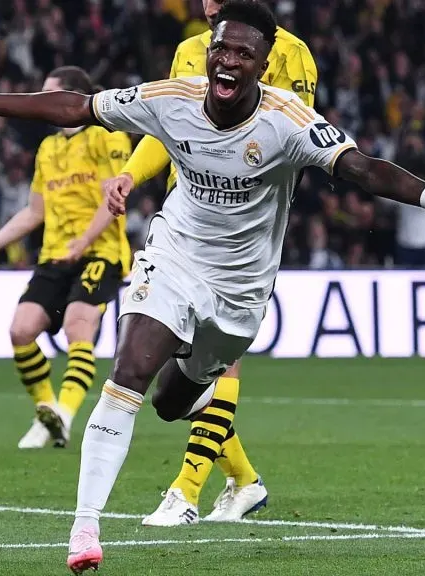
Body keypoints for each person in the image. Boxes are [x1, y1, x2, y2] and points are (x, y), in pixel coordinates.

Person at [0, 2, 425, 572]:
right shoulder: (170, 99)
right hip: (175, 256)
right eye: (220, 49)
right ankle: (85, 529)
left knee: (171, 402)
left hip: (242, 289)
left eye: (243, 53)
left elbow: (360, 168)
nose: (227, 60)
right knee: (129, 369)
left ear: (263, 62)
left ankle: (232, 465)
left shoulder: (289, 120)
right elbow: (77, 106)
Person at [109, 0, 319, 528]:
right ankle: (244, 481)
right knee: (175, 373)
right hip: (186, 225)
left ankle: (185, 490)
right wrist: (132, 177)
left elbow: (298, 140)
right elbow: (164, 127)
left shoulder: (294, 55)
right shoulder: (189, 50)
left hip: (242, 233)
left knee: (216, 362)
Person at [0, 66, 132, 449]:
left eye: (48, 95)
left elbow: (115, 196)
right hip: (56, 254)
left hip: (100, 252)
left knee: (77, 324)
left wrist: (84, 240)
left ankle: (65, 414)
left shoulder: (105, 135)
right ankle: (45, 412)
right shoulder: (48, 149)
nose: (41, 102)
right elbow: (34, 212)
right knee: (20, 330)